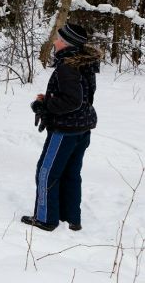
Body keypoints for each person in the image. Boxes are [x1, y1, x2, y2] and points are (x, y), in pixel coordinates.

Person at [21, 24, 100, 232]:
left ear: (66, 44)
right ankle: (71, 218)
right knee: (71, 173)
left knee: (46, 172)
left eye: (58, 39)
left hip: (66, 129)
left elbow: (73, 101)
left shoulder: (67, 66)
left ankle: (46, 219)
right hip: (81, 127)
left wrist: (45, 105)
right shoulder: (83, 63)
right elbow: (82, 97)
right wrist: (50, 98)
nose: (55, 42)